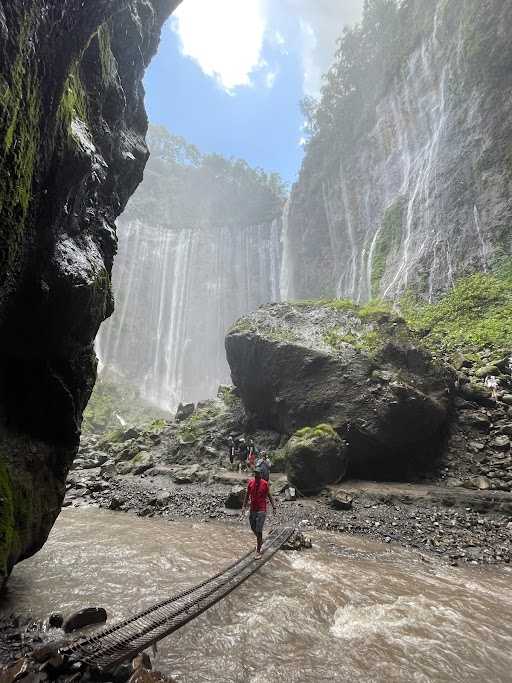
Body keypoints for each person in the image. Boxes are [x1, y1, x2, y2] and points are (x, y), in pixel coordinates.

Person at [241, 467, 276, 559]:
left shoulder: (265, 484)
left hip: (262, 509)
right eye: (255, 473)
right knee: (253, 527)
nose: (256, 475)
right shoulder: (251, 483)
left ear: (261, 474)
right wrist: (243, 507)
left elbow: (269, 495)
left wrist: (274, 507)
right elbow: (246, 495)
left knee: (259, 529)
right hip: (253, 509)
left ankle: (258, 551)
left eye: (258, 473)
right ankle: (260, 540)